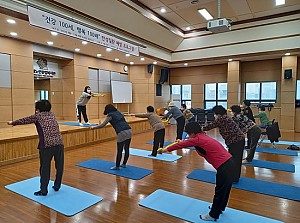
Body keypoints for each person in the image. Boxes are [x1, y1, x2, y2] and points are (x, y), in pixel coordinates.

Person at [159, 122, 234, 221]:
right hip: (229, 162)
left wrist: (164, 150)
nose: (189, 135)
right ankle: (220, 208)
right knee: (223, 190)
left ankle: (213, 215)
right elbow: (188, 142)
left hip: (225, 165)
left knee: (220, 191)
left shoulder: (197, 139)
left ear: (193, 132)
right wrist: (182, 141)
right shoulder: (202, 136)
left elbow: (181, 145)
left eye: (189, 133)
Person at [7, 100, 64, 196]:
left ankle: (43, 191)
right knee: (59, 166)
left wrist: (13, 122)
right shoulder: (52, 115)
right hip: (59, 143)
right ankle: (57, 186)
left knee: (44, 168)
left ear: (38, 109)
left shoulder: (37, 116)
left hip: (46, 145)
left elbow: (24, 120)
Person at [202, 105, 245, 183]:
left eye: (215, 113)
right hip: (237, 140)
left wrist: (200, 129)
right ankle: (234, 177)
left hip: (236, 141)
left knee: (235, 160)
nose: (214, 115)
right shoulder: (225, 117)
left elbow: (210, 126)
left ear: (217, 113)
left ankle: (234, 178)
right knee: (235, 159)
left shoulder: (221, 118)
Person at [92, 104, 132, 170]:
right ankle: (124, 164)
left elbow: (103, 125)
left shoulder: (110, 115)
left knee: (119, 150)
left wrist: (94, 128)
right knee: (126, 149)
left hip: (121, 132)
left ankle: (117, 166)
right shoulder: (118, 113)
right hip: (129, 130)